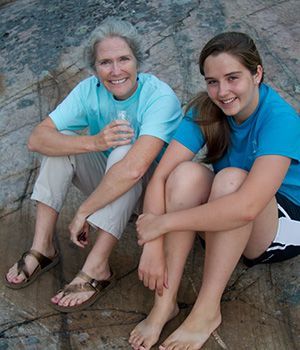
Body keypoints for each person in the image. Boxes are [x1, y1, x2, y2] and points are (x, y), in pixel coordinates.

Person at [129, 32, 300, 350]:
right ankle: (165, 303)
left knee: (232, 180)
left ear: (257, 73)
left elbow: (248, 207)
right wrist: (151, 243)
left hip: (280, 223)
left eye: (233, 78)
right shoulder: (208, 109)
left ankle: (207, 310)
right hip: (228, 208)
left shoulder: (281, 120)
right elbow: (160, 179)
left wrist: (163, 223)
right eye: (212, 81)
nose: (222, 92)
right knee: (183, 175)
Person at [4, 17, 182, 313]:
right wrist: (94, 142)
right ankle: (43, 246)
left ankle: (98, 266)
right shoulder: (89, 90)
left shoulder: (159, 96)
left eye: (124, 59)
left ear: (138, 60)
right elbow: (37, 139)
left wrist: (83, 211)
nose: (115, 71)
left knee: (124, 150)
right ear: (94, 68)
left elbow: (136, 169)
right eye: (105, 62)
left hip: (155, 194)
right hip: (114, 181)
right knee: (62, 140)